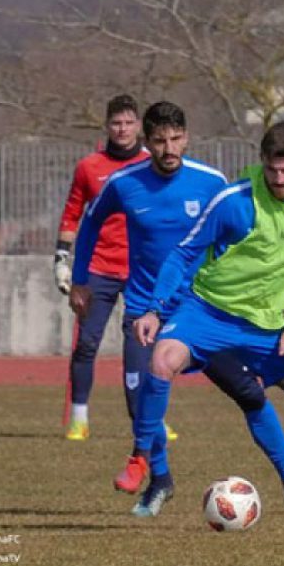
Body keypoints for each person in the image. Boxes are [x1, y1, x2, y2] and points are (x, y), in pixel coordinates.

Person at [73, 103, 284, 517]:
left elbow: (236, 231)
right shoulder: (124, 184)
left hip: (205, 310)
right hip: (146, 310)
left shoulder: (211, 182)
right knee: (143, 394)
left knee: (250, 395)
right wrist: (81, 278)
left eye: (175, 139)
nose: (168, 148)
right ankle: (158, 479)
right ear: (146, 141)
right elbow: (89, 224)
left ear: (186, 138)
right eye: (158, 141)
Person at [120, 120, 284, 533]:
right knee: (163, 361)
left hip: (269, 328)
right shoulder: (234, 200)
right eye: (272, 170)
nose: (279, 179)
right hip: (207, 313)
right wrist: (153, 310)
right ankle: (141, 457)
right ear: (262, 163)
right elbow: (184, 254)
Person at [55, 94, 174, 442]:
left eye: (128, 122)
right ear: (107, 126)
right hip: (98, 269)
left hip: (142, 270)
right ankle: (79, 417)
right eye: (116, 123)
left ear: (138, 125)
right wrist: (61, 259)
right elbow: (72, 215)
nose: (122, 129)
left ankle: (151, 419)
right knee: (87, 343)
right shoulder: (89, 167)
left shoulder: (153, 163)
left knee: (144, 347)